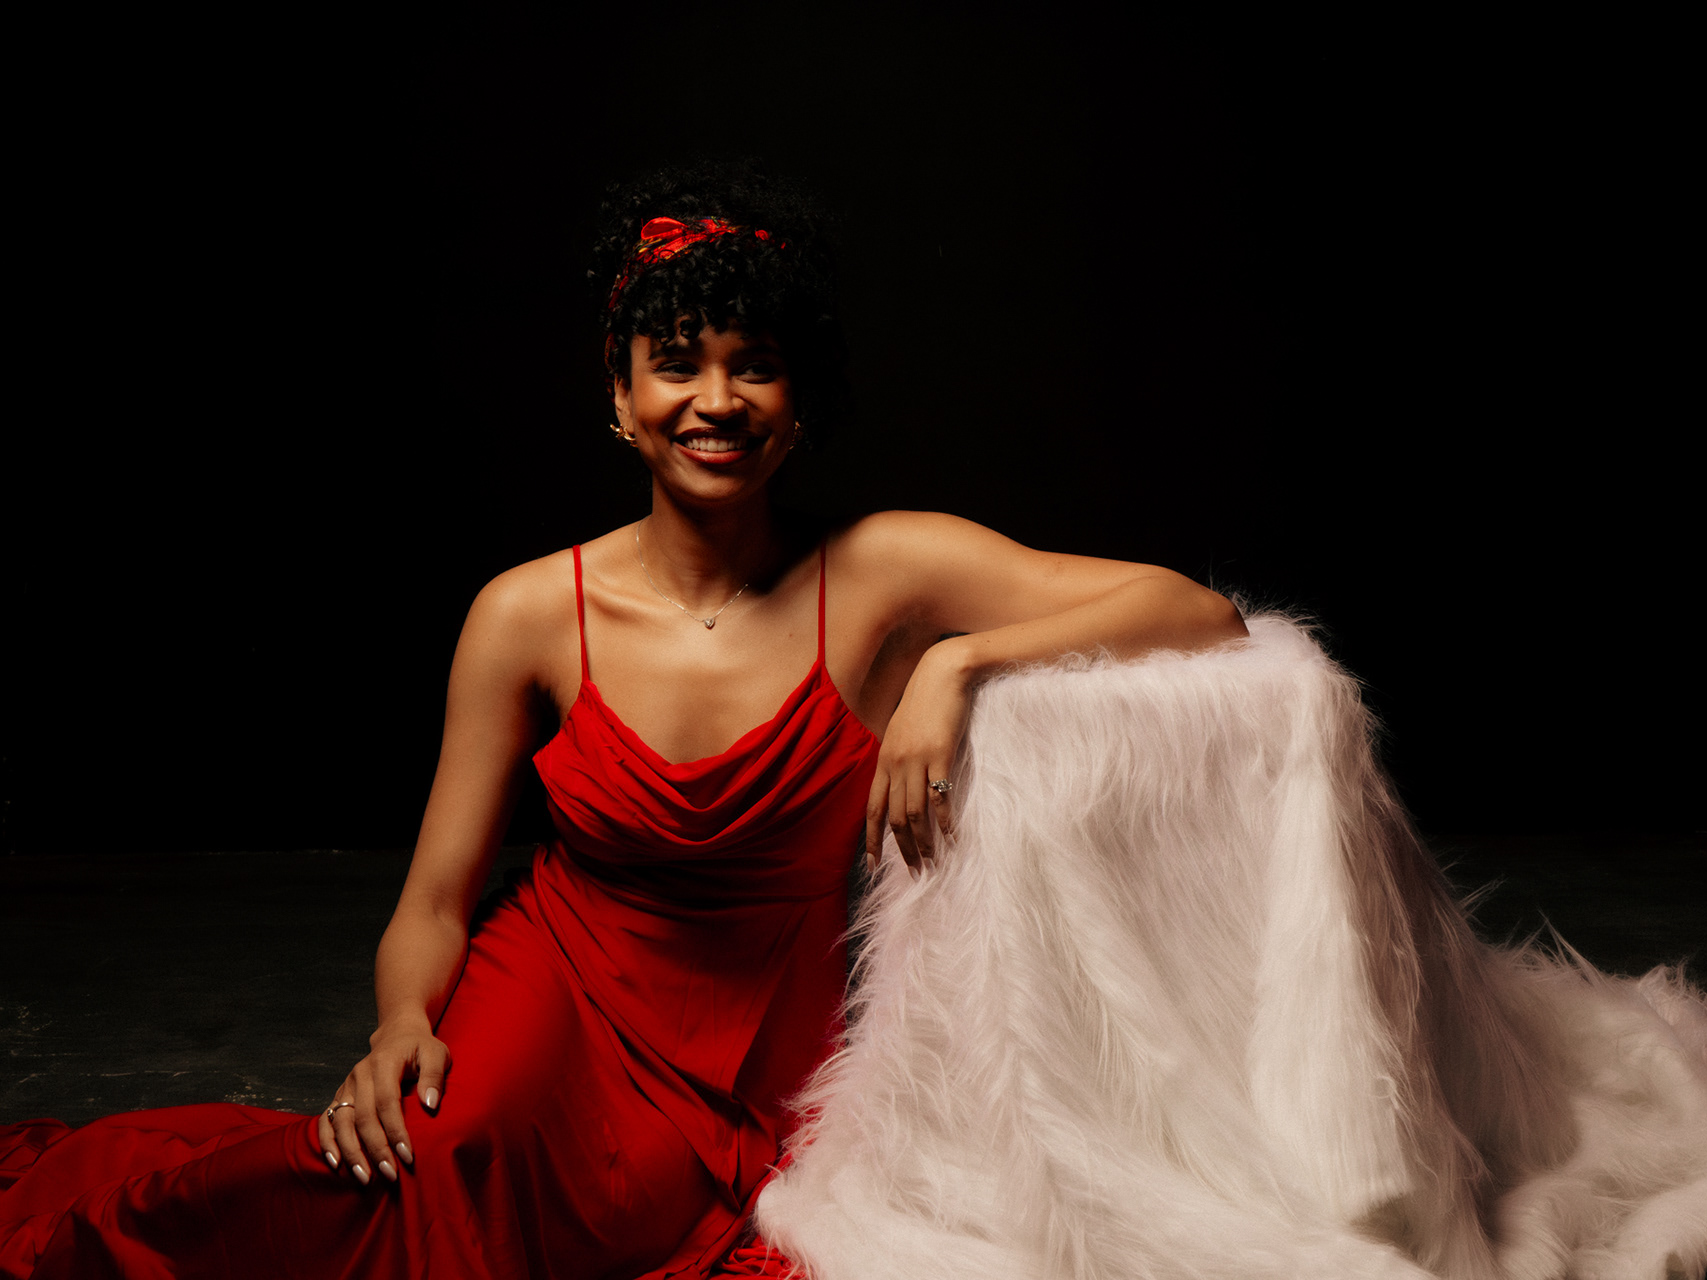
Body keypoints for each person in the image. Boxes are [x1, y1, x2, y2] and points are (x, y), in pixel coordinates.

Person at [0, 164, 1247, 1278]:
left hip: (774, 1021)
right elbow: (435, 898)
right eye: (678, 362)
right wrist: (400, 1025)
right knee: (428, 1162)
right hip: (561, 978)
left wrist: (961, 661)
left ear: (800, 399)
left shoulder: (888, 569)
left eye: (755, 364)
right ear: (621, 391)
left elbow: (1200, 613)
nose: (718, 399)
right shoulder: (527, 611)